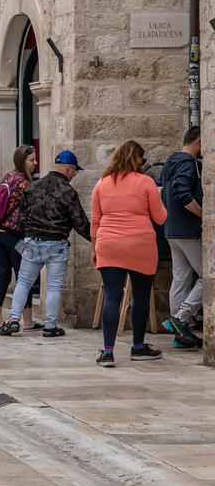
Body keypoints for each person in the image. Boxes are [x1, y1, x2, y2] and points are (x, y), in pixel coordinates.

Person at [0, 150, 92, 337]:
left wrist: (28, 235)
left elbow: (22, 216)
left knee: (23, 282)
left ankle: (14, 320)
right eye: (75, 171)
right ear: (68, 168)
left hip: (32, 241)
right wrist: (97, 238)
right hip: (56, 243)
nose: (74, 175)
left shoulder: (33, 186)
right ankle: (50, 326)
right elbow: (79, 222)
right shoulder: (68, 191)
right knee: (54, 286)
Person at [91, 141, 168, 367]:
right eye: (142, 160)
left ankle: (107, 352)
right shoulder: (146, 182)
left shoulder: (102, 183)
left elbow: (95, 220)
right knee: (141, 297)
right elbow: (160, 217)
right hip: (139, 244)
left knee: (112, 296)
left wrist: (95, 248)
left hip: (109, 243)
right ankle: (138, 346)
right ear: (137, 159)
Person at [162, 126, 203, 348]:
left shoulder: (170, 163)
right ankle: (180, 318)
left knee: (180, 279)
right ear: (198, 141)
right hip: (188, 230)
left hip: (172, 229)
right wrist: (202, 214)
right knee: (209, 278)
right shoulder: (188, 163)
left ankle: (180, 333)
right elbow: (181, 191)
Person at [0, 146, 38, 331]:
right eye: (32, 160)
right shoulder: (24, 183)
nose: (35, 163)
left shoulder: (8, 176)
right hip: (15, 235)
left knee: (2, 276)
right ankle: (27, 320)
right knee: (24, 277)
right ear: (22, 161)